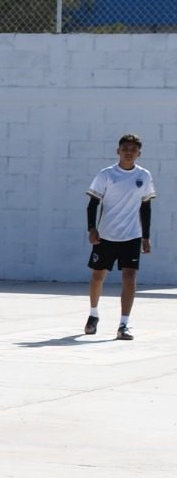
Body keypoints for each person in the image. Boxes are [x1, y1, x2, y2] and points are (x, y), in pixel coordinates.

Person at [85, 133, 156, 340]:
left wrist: (145, 236)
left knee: (129, 277)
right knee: (98, 276)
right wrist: (92, 229)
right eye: (125, 148)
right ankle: (93, 314)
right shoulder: (106, 174)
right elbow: (93, 204)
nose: (128, 152)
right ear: (118, 151)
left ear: (138, 153)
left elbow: (146, 206)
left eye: (133, 150)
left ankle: (124, 324)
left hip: (132, 236)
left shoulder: (144, 176)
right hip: (105, 235)